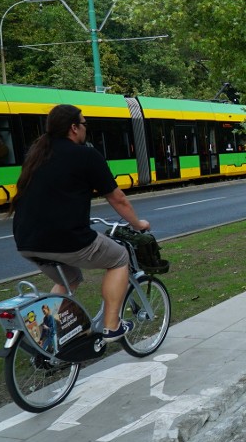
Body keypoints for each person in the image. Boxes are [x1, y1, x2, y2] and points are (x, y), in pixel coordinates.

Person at [9, 104, 150, 342]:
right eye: (84, 124)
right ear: (74, 128)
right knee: (119, 258)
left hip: (26, 241)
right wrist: (138, 224)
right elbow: (118, 199)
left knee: (70, 279)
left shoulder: (37, 154)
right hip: (67, 239)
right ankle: (112, 326)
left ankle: (50, 337)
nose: (85, 129)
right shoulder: (86, 155)